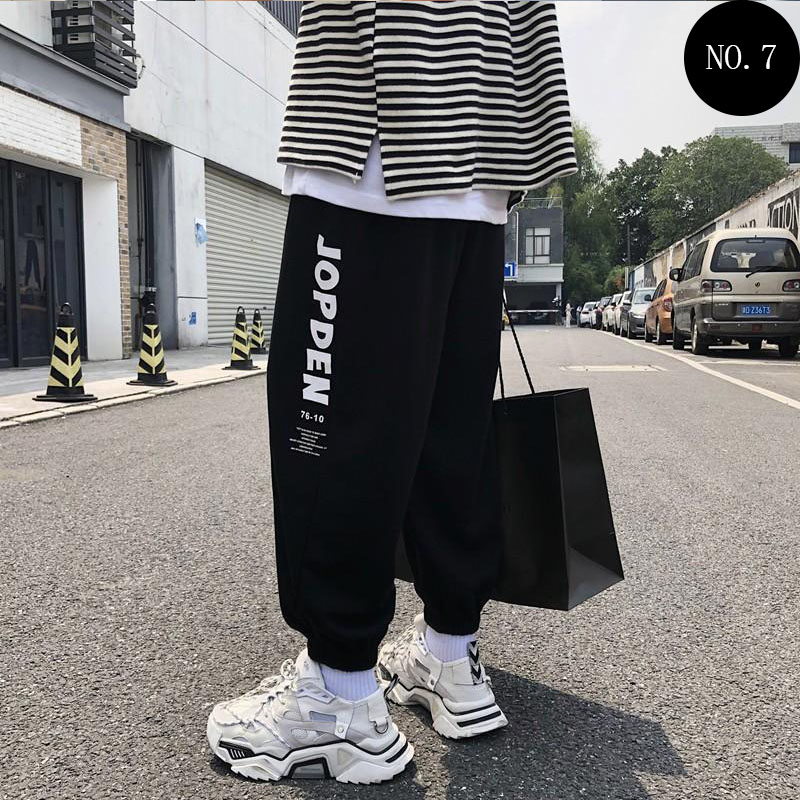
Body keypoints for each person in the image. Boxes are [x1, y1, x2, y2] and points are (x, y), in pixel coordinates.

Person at [207, 1, 577, 784]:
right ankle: (449, 655)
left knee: (331, 429)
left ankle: (338, 698)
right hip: (481, 141)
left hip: (375, 138)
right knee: (450, 433)